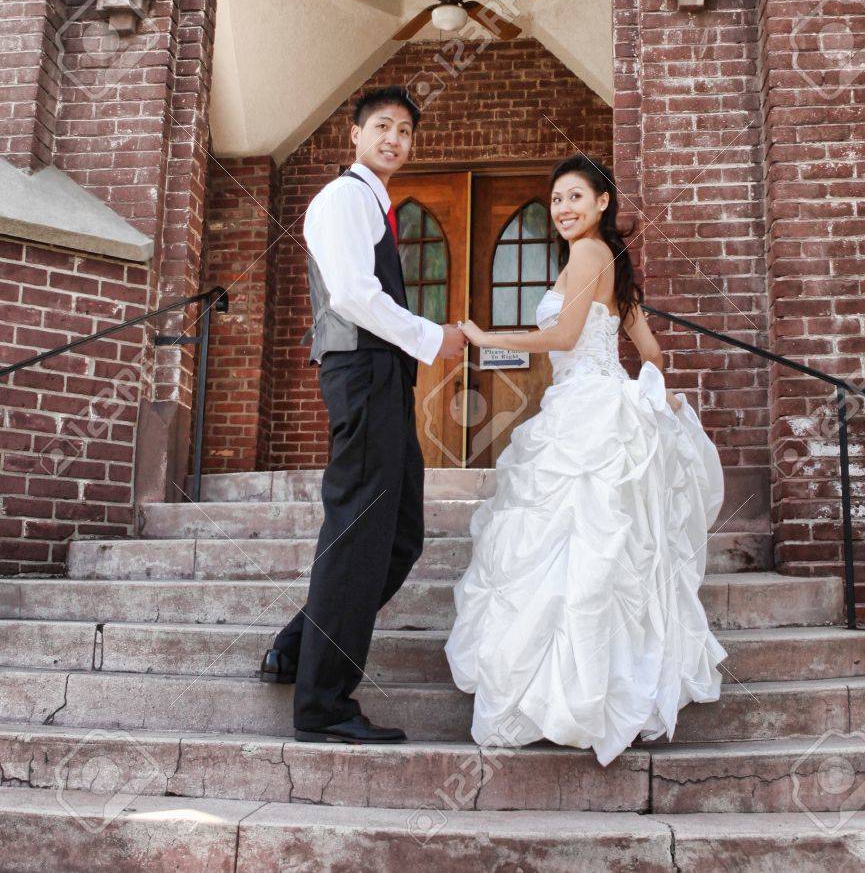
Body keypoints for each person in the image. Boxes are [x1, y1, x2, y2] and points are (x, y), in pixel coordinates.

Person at [445, 153, 726, 766]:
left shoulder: (587, 255)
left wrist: (490, 337)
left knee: (571, 546)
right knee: (597, 552)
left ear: (603, 202)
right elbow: (649, 351)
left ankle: (563, 697)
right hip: (595, 400)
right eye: (557, 200)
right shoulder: (615, 265)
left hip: (583, 407)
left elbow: (564, 339)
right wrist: (641, 391)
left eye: (576, 196)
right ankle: (595, 689)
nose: (564, 209)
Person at [259, 86, 466, 744]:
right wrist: (434, 338)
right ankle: (322, 706)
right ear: (353, 134)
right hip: (364, 374)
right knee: (359, 533)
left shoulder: (373, 202)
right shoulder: (344, 199)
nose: (395, 140)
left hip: (382, 379)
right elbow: (351, 294)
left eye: (405, 131)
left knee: (399, 535)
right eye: (382, 126)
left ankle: (297, 649)